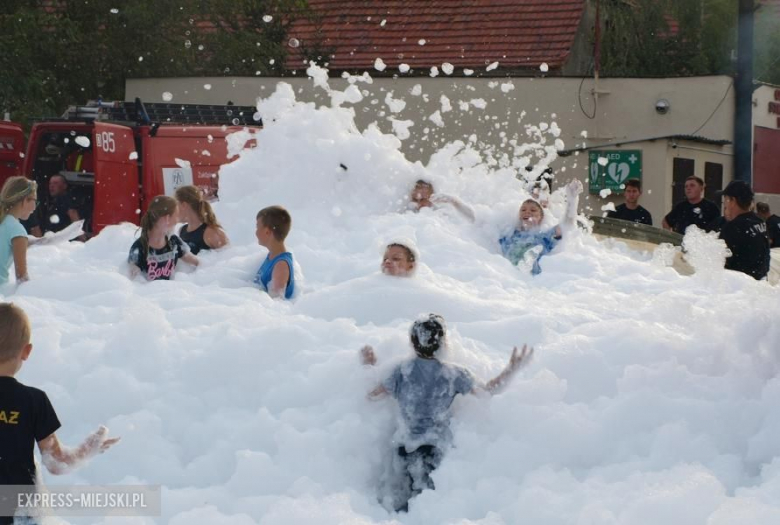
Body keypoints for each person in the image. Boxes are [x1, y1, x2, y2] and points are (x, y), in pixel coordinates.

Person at [360, 314, 533, 512]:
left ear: (413, 342)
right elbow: (486, 392)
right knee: (425, 507)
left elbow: (373, 395)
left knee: (401, 507)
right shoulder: (452, 374)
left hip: (404, 448)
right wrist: (511, 369)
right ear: (442, 343)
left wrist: (369, 366)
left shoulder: (401, 371)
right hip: (433, 450)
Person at [0, 303, 119, 524]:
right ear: (27, 351)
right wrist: (88, 449)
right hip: (20, 510)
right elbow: (57, 463)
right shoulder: (33, 401)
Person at [499, 179, 583, 275]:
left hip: (533, 283)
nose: (527, 212)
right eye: (523, 209)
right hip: (507, 280)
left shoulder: (544, 237)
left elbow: (566, 226)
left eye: (533, 210)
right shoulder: (510, 235)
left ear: (541, 217)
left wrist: (572, 201)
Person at [128, 196, 199, 281]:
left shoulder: (174, 242)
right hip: (149, 293)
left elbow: (197, 262)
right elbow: (133, 282)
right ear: (167, 218)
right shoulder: (139, 248)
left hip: (171, 291)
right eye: (176, 216)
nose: (177, 221)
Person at [718, 181, 770, 280]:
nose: (724, 203)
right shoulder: (759, 222)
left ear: (732, 201)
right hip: (760, 283)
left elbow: (721, 264)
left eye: (726, 199)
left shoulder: (733, 228)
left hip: (740, 287)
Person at [0, 177, 37, 286]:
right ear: (25, 200)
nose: (35, 207)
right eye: (35, 200)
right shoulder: (17, 230)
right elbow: (21, 277)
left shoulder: (5, 223)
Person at [253, 205, 295, 299]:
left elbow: (276, 304)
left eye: (257, 227)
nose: (255, 232)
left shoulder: (281, 265)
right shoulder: (272, 256)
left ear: (267, 232)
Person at [174, 185, 229, 254]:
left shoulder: (212, 233)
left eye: (175, 206)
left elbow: (229, 260)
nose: (173, 211)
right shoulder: (182, 231)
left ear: (184, 205)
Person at [408, 180, 475, 222]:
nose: (419, 203)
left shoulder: (442, 214)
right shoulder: (407, 216)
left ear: (433, 198)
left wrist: (453, 201)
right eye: (415, 200)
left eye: (423, 199)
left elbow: (473, 219)